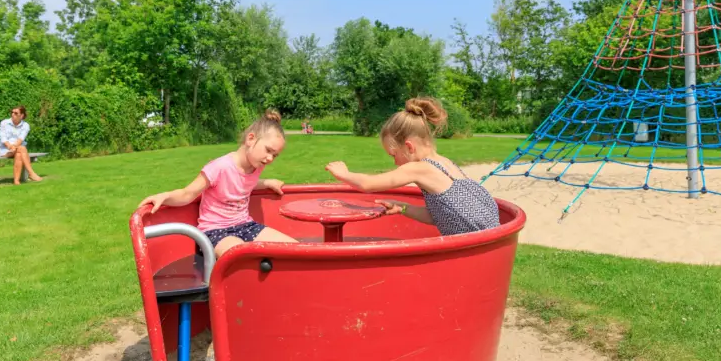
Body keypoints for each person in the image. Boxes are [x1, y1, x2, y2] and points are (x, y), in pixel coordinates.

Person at [325, 97, 500, 236]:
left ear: (409, 147)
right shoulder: (447, 164)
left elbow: (369, 184)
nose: (395, 162)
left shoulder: (420, 167)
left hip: (473, 247)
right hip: (492, 240)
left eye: (394, 155)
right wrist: (402, 208)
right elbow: (440, 217)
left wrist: (344, 174)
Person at [139, 109, 297, 256]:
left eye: (275, 155)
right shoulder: (219, 167)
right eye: (268, 150)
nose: (270, 159)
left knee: (294, 249)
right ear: (251, 139)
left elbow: (242, 184)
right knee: (242, 256)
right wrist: (164, 196)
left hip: (246, 226)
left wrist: (267, 182)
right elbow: (188, 193)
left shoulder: (256, 166)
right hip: (216, 232)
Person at [0, 105, 43, 184]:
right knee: (22, 148)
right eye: (12, 112)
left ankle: (16, 181)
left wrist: (15, 147)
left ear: (21, 115)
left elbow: (20, 139)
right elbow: (3, 138)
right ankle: (31, 173)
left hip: (18, 148)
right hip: (5, 149)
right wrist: (11, 147)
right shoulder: (4, 123)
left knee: (19, 153)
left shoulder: (26, 126)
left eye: (16, 113)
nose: (13, 114)